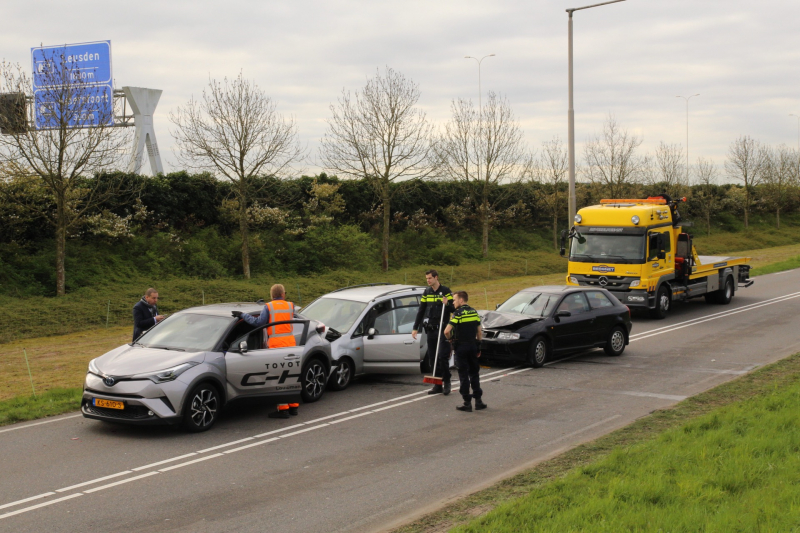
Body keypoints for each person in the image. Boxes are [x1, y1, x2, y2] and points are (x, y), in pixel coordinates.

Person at [412, 270, 455, 395]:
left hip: (443, 329)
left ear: (436, 278)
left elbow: (453, 309)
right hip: (431, 329)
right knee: (432, 358)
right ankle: (437, 385)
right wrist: (415, 327)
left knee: (442, 357)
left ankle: (447, 382)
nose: (428, 280)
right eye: (427, 278)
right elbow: (421, 310)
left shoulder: (446, 291)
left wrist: (447, 304)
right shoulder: (427, 292)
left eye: (430, 278)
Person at [444, 291, 487, 412]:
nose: (453, 302)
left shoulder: (457, 314)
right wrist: (478, 346)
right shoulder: (474, 312)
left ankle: (467, 402)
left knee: (463, 375)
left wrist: (451, 340)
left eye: (454, 300)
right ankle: (478, 401)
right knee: (474, 373)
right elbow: (479, 332)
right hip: (473, 346)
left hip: (461, 347)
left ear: (461, 300)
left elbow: (446, 331)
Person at [233, 284, 297, 348]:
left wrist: (242, 315)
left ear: (272, 295)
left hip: (276, 345)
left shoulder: (269, 307)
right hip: (290, 344)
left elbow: (258, 322)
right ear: (283, 294)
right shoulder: (291, 305)